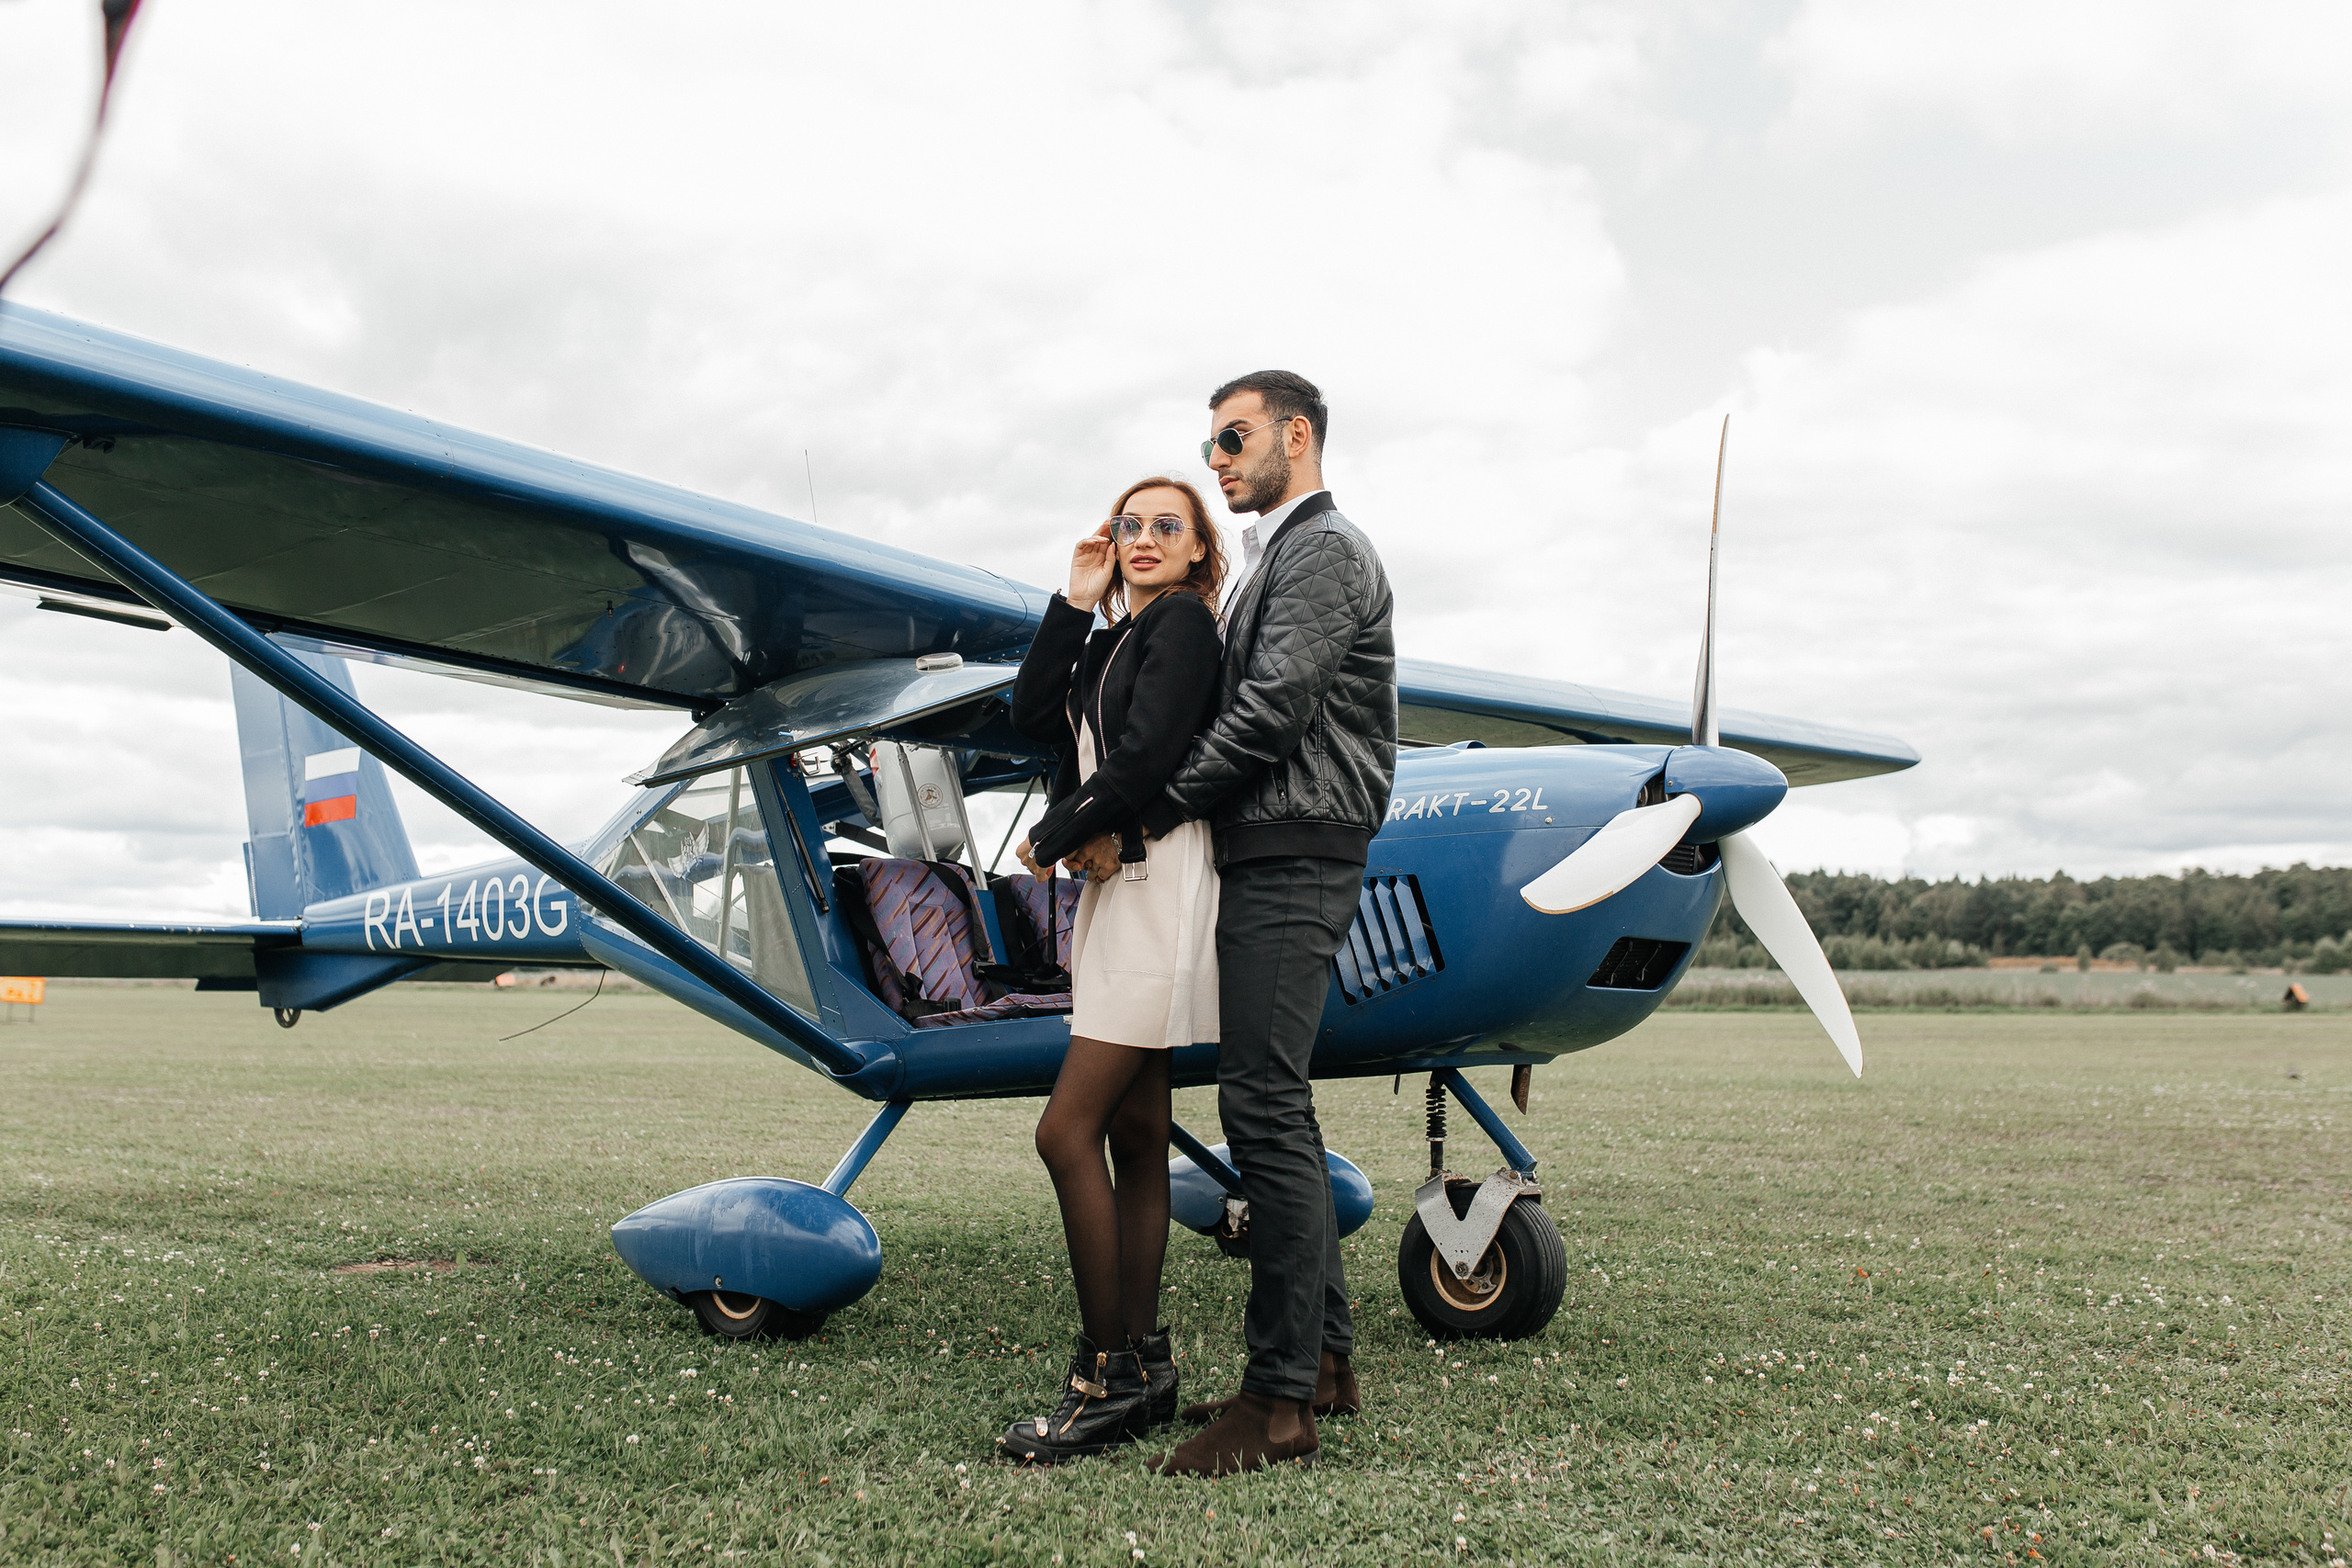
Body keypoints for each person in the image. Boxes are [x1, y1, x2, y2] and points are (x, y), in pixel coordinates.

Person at [1140, 370, 1396, 1477]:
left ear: (1297, 435)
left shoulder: (1323, 551)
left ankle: (1277, 1403)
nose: (1216, 459)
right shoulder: (1272, 559)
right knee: (1273, 1102)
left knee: (1259, 1108)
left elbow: (1272, 710)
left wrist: (1149, 808)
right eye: (1209, 444)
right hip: (1276, 842)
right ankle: (1327, 1365)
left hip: (1296, 846)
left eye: (1233, 438)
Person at [994, 476, 1228, 1464]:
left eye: (1164, 526)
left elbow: (1140, 762)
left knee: (1064, 1130)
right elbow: (1028, 714)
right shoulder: (1116, 634)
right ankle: (1146, 1365)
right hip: (1115, 877)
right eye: (1127, 525)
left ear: (1198, 550)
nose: (1140, 538)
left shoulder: (1185, 628)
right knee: (1134, 1132)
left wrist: (1051, 836)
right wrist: (1073, 599)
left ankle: (1103, 1373)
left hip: (1156, 876)